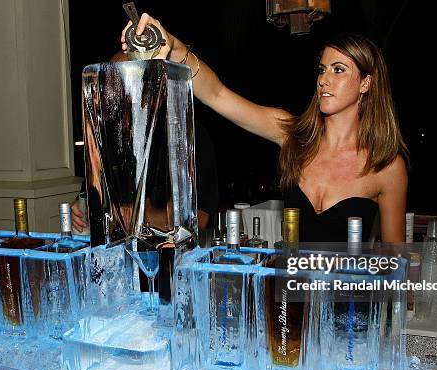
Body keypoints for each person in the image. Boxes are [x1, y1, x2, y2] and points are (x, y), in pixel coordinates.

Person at [119, 14, 408, 243]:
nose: (324, 80)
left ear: (366, 83)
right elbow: (218, 95)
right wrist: (176, 48)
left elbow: (396, 261)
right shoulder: (292, 134)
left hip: (347, 307)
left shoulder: (386, 167)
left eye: (338, 70)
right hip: (289, 303)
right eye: (322, 69)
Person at [71, 50, 218, 234]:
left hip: (167, 254)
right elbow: (93, 195)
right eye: (109, 81)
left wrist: (137, 215)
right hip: (115, 251)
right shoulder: (108, 136)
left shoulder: (187, 132)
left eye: (123, 80)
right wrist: (80, 208)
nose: (113, 90)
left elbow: (199, 218)